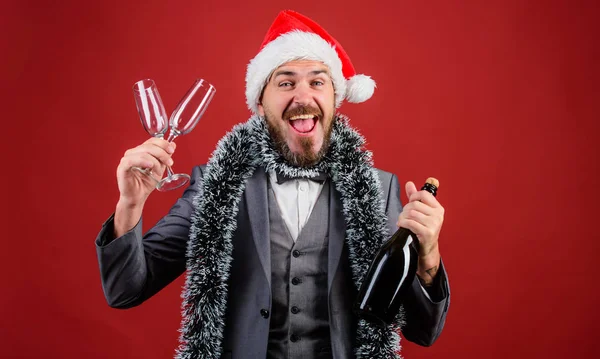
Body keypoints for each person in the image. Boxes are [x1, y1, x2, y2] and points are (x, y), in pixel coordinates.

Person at [96, 10, 450, 359]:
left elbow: (422, 332)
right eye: (285, 82)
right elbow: (125, 290)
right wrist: (130, 204)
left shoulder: (379, 191)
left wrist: (429, 257)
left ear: (334, 99)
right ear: (260, 104)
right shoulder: (214, 185)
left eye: (317, 82)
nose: (302, 97)